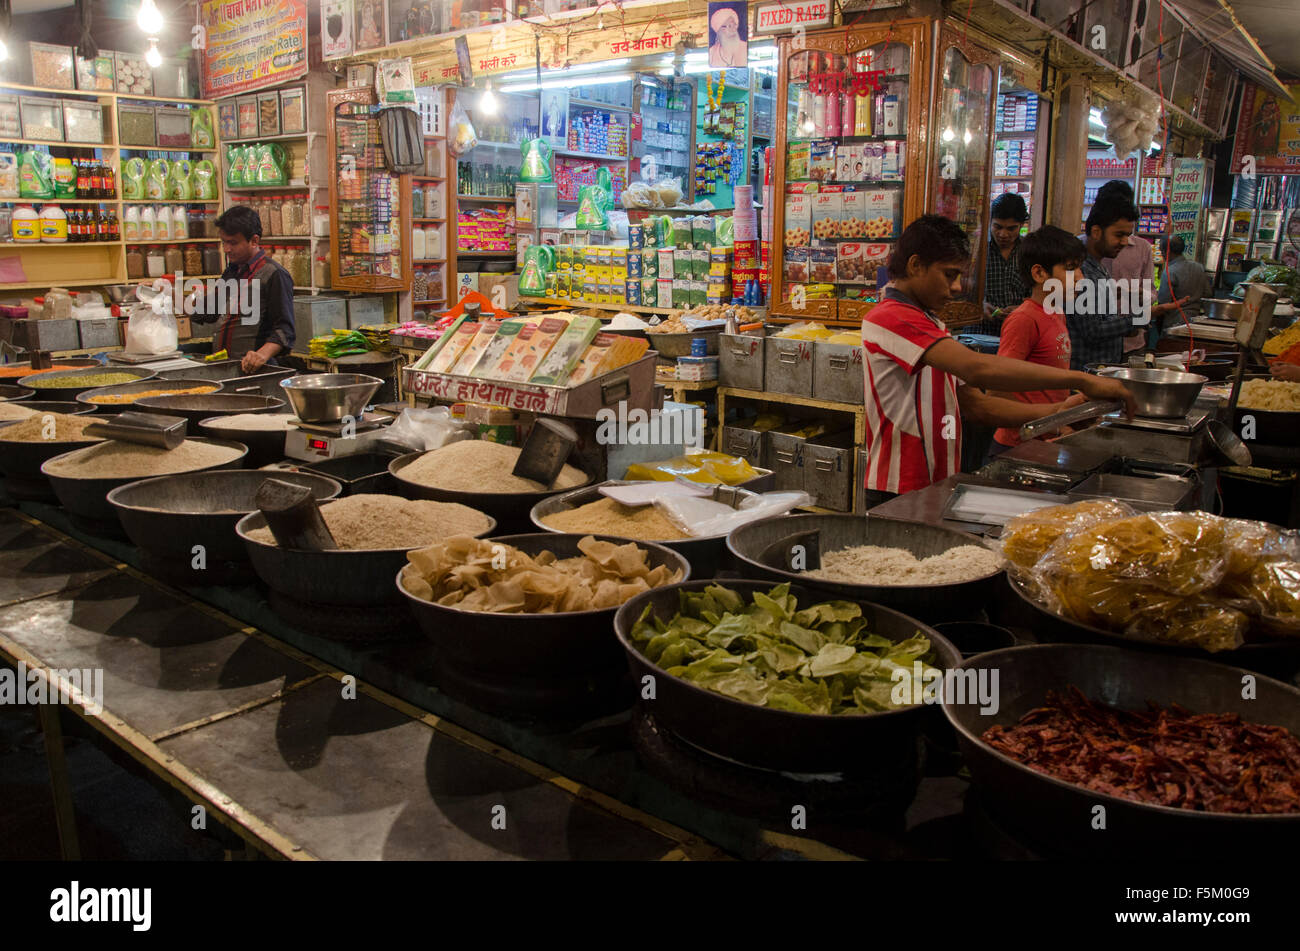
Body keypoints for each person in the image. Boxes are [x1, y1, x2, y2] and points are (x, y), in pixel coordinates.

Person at [860, 215, 1135, 502]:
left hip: (936, 481)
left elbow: (978, 406)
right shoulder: (889, 316)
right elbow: (978, 369)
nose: (956, 288)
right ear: (916, 265)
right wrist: (1083, 380)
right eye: (949, 275)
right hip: (896, 485)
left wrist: (1060, 412)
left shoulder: (932, 324)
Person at [988, 226, 1087, 457]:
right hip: (1017, 444)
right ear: (1039, 273)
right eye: (1071, 269)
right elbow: (998, 389)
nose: (1081, 277)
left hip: (1047, 439)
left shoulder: (1057, 313)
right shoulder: (1024, 319)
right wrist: (1052, 420)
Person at [209, 206, 295, 373]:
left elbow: (284, 330)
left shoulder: (274, 274)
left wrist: (261, 355)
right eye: (223, 242)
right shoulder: (232, 271)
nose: (226, 249)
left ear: (254, 240)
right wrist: (171, 298)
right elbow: (210, 310)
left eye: (233, 243)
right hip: (227, 369)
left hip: (256, 371)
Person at [973, 192, 1030, 335]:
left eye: (1011, 228)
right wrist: (979, 305)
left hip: (1018, 331)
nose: (1003, 234)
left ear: (1022, 225)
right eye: (998, 227)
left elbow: (1037, 294)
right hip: (979, 331)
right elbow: (961, 289)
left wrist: (1022, 309)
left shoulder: (1029, 251)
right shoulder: (976, 249)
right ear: (989, 221)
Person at [1155, 235, 1211, 346]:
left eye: (1162, 250)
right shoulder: (1198, 267)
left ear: (1167, 251)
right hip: (1195, 323)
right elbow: (1208, 293)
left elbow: (1163, 302)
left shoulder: (1169, 271)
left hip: (1174, 325)